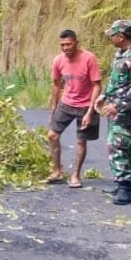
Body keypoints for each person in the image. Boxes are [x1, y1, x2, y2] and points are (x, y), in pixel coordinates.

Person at [95, 19, 131, 205]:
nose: (110, 38)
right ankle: (124, 184)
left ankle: (124, 189)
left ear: (121, 37)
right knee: (119, 144)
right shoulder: (121, 54)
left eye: (112, 35)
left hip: (127, 109)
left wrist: (118, 105)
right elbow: (116, 81)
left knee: (117, 144)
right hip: (115, 107)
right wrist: (104, 96)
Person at [46, 29, 102, 188]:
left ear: (76, 43)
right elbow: (56, 84)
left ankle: (76, 175)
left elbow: (97, 85)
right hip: (66, 103)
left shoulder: (89, 58)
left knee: (80, 141)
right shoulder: (58, 61)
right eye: (62, 45)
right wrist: (54, 106)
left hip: (86, 105)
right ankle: (57, 172)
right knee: (52, 135)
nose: (65, 48)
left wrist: (90, 111)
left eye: (69, 44)